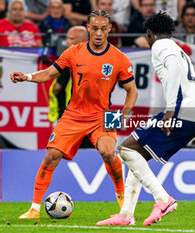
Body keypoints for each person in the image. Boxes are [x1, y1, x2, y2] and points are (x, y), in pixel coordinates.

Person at [11, 9, 138, 219]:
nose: (98, 33)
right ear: (88, 28)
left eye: (103, 29)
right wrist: (26, 77)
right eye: (95, 28)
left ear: (109, 30)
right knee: (51, 156)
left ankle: (122, 196)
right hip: (73, 115)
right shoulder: (73, 52)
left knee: (108, 152)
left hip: (103, 115)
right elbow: (49, 73)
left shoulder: (119, 58)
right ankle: (34, 208)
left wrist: (123, 115)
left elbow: (132, 91)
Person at [97, 11, 195, 226]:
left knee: (126, 149)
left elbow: (172, 66)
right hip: (194, 114)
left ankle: (163, 200)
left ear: (149, 33)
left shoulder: (161, 46)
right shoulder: (176, 47)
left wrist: (170, 111)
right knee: (136, 153)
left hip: (181, 112)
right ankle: (126, 215)